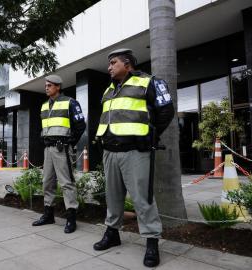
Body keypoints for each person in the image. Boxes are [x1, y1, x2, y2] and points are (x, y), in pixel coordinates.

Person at [93, 49, 174, 267]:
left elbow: (166, 111)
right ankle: (112, 233)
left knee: (142, 198)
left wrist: (150, 135)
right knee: (112, 197)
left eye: (113, 62)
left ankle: (151, 241)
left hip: (135, 151)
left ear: (127, 64)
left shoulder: (149, 82)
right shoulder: (109, 89)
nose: (109, 67)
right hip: (110, 151)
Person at [32, 74, 86, 233]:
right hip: (48, 149)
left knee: (66, 182)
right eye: (46, 85)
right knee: (47, 182)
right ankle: (48, 214)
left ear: (58, 87)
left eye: (49, 85)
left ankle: (71, 218)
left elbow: (80, 125)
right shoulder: (43, 106)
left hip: (62, 148)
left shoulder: (70, 102)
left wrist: (70, 143)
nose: (46, 88)